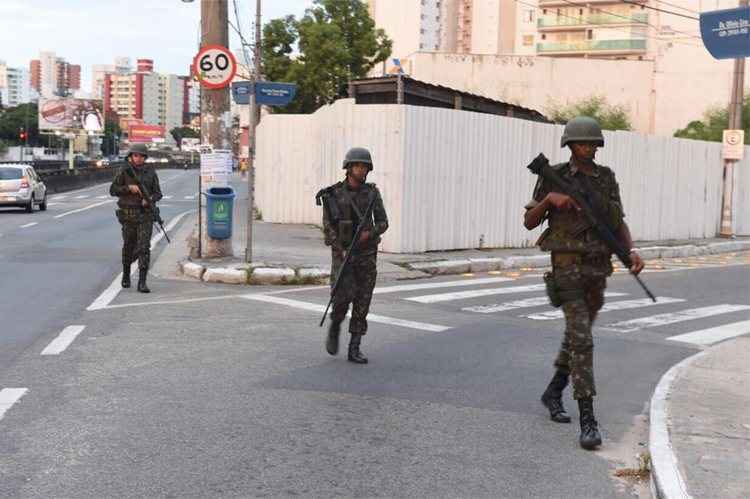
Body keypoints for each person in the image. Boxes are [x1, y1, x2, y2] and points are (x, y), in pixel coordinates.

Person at [523, 116, 645, 450]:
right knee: (583, 341)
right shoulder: (555, 177)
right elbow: (529, 222)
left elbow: (617, 221)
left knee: (579, 336)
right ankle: (588, 418)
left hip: (597, 268)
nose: (587, 148)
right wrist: (550, 200)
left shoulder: (606, 178)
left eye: (592, 143)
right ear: (569, 146)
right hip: (566, 268)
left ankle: (553, 391)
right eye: (581, 143)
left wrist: (631, 250)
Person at [319, 147, 389, 364]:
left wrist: (369, 234)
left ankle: (354, 347)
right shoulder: (333, 194)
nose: (362, 170)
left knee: (362, 301)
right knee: (341, 298)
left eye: (365, 166)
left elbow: (384, 222)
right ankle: (335, 324)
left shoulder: (372, 194)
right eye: (358, 165)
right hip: (343, 255)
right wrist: (339, 246)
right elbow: (327, 226)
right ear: (349, 168)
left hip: (366, 255)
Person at [109, 143, 163, 293]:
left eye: (141, 156)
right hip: (128, 215)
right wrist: (128, 188)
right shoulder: (124, 171)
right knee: (129, 247)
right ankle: (126, 274)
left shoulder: (150, 172)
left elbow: (158, 193)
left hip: (145, 215)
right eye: (135, 155)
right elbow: (113, 190)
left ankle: (142, 282)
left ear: (145, 157)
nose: (138, 158)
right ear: (131, 156)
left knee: (144, 248)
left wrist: (150, 198)